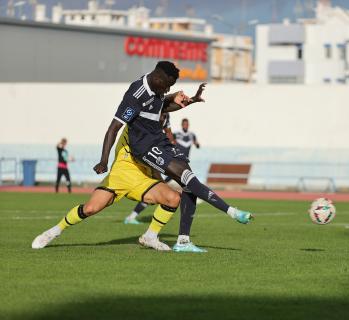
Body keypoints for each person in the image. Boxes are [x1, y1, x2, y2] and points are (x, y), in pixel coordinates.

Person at [32, 61, 253, 251]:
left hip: (144, 165)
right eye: (168, 84)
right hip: (126, 166)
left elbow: (161, 107)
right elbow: (113, 128)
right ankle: (54, 231)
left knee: (172, 198)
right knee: (91, 208)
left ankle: (150, 236)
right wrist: (103, 160)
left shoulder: (157, 90)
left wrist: (188, 100)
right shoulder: (135, 95)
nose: (169, 89)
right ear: (159, 78)